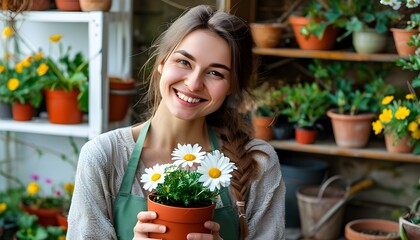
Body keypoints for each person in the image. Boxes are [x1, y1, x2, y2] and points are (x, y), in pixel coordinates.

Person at [67, 5, 285, 240]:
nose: (193, 83)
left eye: (215, 73)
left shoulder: (258, 162)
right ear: (161, 62)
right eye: (184, 62)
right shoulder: (104, 157)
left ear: (232, 85)